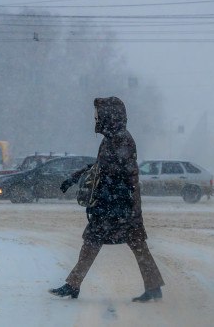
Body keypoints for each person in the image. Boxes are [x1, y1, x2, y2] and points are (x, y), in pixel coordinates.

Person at [49, 96, 165, 302]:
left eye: (98, 115)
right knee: (105, 243)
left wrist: (104, 186)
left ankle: (73, 285)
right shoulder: (112, 139)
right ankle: (73, 284)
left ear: (109, 116)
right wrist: (75, 177)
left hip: (120, 205)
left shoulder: (122, 139)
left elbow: (117, 171)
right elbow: (99, 167)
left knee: (104, 242)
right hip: (114, 204)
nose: (95, 119)